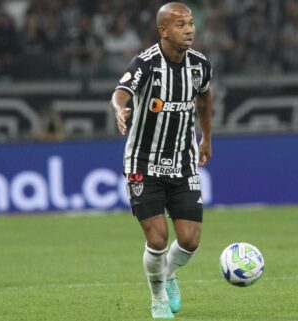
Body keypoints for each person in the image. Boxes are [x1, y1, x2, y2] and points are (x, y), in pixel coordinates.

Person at [110, 2, 213, 319]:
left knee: (190, 240)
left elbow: (205, 97)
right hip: (143, 163)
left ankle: (168, 275)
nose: (189, 29)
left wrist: (206, 137)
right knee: (157, 239)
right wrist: (119, 108)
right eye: (181, 24)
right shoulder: (146, 63)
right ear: (164, 30)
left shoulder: (199, 65)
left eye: (191, 23)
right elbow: (121, 91)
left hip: (182, 163)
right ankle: (157, 298)